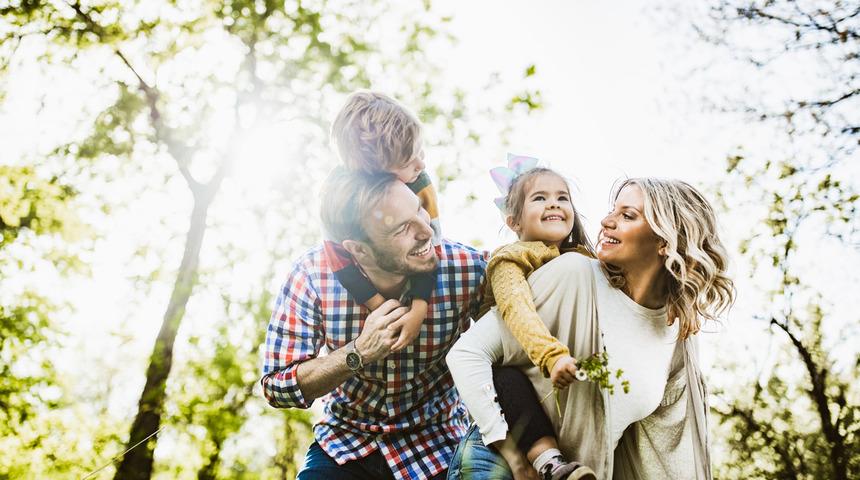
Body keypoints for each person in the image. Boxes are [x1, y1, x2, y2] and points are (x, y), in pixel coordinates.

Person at [447, 178, 735, 480]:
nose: (606, 221)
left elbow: (668, 447)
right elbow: (468, 354)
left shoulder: (676, 332)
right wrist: (515, 459)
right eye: (613, 210)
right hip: (502, 462)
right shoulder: (573, 273)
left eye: (627, 215)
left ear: (664, 242)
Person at [261, 167, 486, 480]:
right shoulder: (312, 275)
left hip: (437, 447)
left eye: (419, 209)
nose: (426, 231)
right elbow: (276, 387)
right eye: (401, 229)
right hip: (344, 445)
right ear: (357, 249)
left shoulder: (467, 269)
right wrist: (357, 353)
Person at [477, 157, 597, 480]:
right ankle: (549, 463)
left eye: (562, 197)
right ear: (514, 221)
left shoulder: (583, 260)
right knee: (506, 377)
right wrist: (552, 356)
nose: (554, 204)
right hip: (524, 368)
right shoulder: (509, 260)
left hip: (569, 371)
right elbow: (518, 310)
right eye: (540, 198)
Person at [326, 90, 442, 351]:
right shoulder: (338, 203)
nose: (421, 164)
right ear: (373, 173)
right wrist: (384, 309)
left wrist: (418, 309)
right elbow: (340, 262)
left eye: (419, 151)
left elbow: (431, 248)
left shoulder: (420, 183)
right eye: (407, 161)